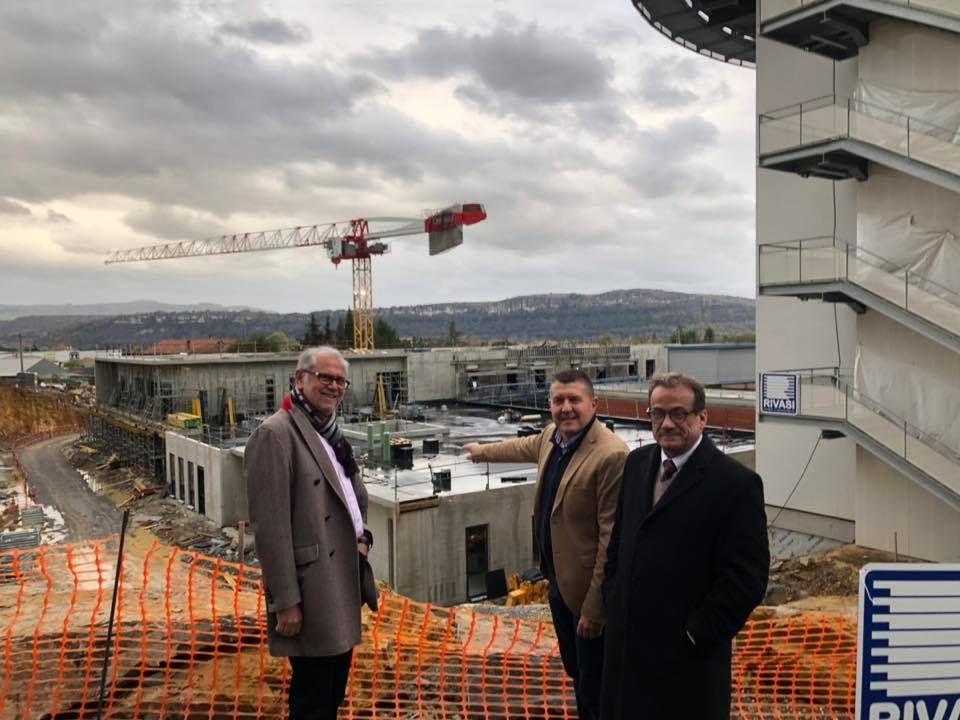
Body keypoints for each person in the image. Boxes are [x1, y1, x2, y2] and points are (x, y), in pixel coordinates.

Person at [601, 372, 769, 720]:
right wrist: (614, 599)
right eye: (657, 413)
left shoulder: (735, 484)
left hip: (686, 668)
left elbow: (747, 578)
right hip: (627, 659)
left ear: (702, 418)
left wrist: (695, 634)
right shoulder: (637, 464)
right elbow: (620, 541)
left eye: (679, 414)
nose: (666, 423)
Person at [464, 369, 628, 720]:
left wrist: (595, 609)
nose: (566, 408)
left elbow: (611, 539)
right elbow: (523, 446)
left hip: (588, 594)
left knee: (596, 686)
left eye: (574, 400)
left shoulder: (611, 455)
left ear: (594, 404)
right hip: (558, 582)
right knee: (577, 672)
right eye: (558, 400)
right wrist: (481, 452)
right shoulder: (554, 437)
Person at [244, 346, 375, 720]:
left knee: (333, 691)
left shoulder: (331, 432)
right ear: (299, 379)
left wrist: (363, 538)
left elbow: (351, 496)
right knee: (313, 699)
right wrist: (285, 600)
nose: (333, 386)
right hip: (311, 589)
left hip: (343, 580)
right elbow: (269, 527)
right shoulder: (276, 435)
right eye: (324, 377)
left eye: (340, 380)